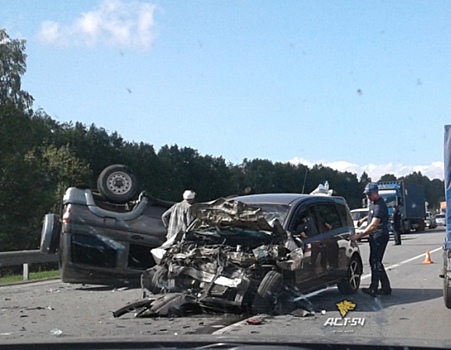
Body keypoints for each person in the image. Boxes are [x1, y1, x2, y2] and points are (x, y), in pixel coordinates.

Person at [351, 182, 392, 297]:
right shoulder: (373, 203)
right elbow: (371, 215)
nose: (367, 196)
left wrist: (358, 236)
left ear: (375, 193)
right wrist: (363, 220)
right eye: (366, 194)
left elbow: (373, 225)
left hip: (379, 235)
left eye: (369, 194)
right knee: (376, 261)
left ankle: (374, 288)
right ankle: (386, 287)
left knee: (374, 261)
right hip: (375, 236)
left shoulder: (380, 205)